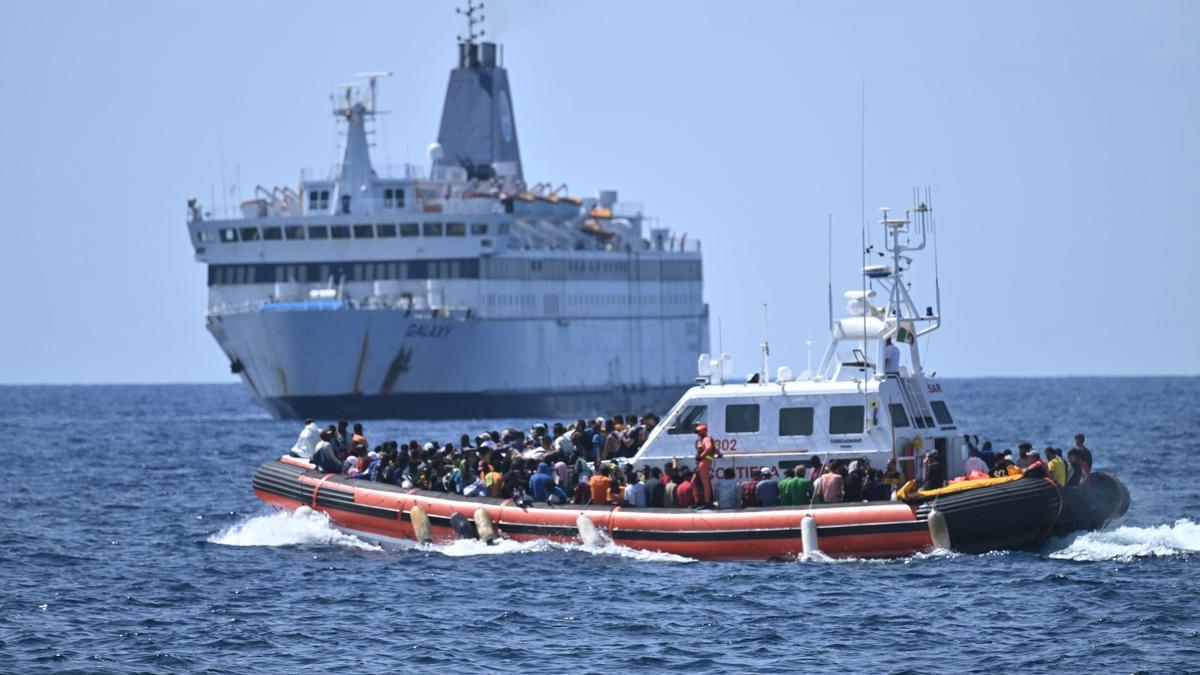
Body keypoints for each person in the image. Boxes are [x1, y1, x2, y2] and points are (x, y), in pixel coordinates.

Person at [693, 423, 721, 507]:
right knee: (694, 481)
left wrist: (701, 456)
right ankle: (698, 501)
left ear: (701, 432)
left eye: (698, 432)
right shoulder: (704, 440)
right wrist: (719, 454)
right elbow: (714, 449)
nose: (697, 434)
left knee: (705, 483)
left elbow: (709, 448)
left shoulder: (706, 439)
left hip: (704, 462)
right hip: (701, 463)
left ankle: (707, 502)